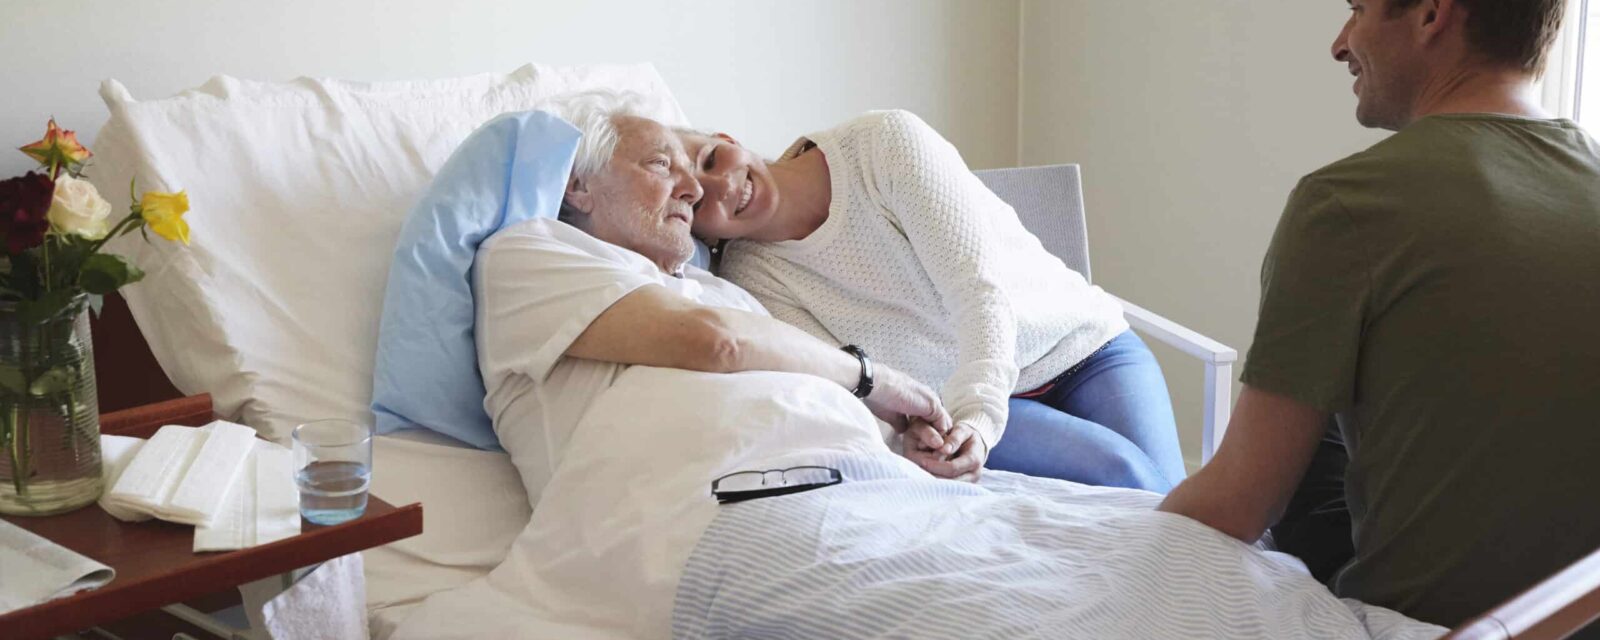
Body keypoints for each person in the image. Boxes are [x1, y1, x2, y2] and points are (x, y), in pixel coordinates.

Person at [1158, 0, 1600, 631]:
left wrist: (1118, 549)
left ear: (1431, 15)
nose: (1340, 45)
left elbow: (1235, 505)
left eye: (1358, 10)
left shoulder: (1348, 204)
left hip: (1431, 618)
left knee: (1298, 434)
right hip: (1577, 608)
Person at [475, 92, 967, 502]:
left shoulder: (723, 291)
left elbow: (815, 395)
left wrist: (904, 442)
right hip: (720, 510)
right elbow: (714, 342)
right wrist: (871, 377)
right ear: (579, 186)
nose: (692, 189)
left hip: (867, 485)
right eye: (661, 164)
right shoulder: (531, 253)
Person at [675, 112, 1186, 492]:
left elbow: (980, 292)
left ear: (728, 140)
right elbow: (856, 379)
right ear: (699, 231)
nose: (724, 186)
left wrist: (980, 420)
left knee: (1198, 513)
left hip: (1087, 347)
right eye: (699, 201)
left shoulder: (883, 144)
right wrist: (918, 427)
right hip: (967, 402)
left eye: (711, 160)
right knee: (1128, 475)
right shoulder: (753, 279)